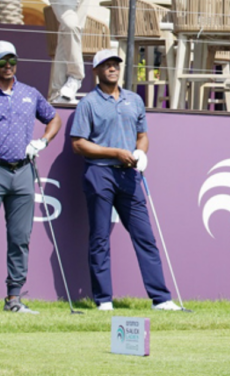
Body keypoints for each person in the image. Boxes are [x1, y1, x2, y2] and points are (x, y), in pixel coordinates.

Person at [70, 49, 182, 312]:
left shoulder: (134, 100)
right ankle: (104, 300)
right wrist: (114, 152)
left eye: (115, 64)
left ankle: (161, 299)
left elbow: (142, 134)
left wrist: (141, 152)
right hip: (100, 173)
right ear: (96, 71)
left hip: (129, 175)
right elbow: (78, 144)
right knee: (99, 238)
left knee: (145, 236)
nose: (112, 68)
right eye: (106, 65)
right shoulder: (88, 103)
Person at [0, 41, 62, 314]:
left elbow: (54, 119)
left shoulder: (30, 93)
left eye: (12, 61)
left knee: (20, 237)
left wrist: (42, 141)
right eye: (2, 62)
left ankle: (14, 298)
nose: (8, 67)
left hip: (23, 171)